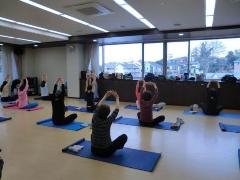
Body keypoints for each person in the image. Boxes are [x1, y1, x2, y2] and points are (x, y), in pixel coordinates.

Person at [91, 91, 127, 157]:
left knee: (93, 135)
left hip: (93, 150)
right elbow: (116, 109)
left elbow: (98, 106)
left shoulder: (94, 118)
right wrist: (117, 97)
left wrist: (105, 96)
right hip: (106, 151)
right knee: (124, 136)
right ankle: (116, 147)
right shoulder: (108, 121)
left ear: (98, 111)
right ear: (108, 114)